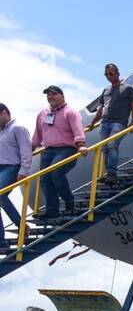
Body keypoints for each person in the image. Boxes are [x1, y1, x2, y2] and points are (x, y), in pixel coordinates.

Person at [31, 86, 88, 219]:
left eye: (53, 94)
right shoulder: (43, 114)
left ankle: (69, 201)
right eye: (48, 95)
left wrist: (81, 145)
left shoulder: (71, 112)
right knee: (45, 179)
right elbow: (37, 134)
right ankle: (52, 211)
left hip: (66, 149)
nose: (50, 97)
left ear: (62, 96)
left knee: (55, 171)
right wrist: (32, 147)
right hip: (48, 150)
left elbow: (78, 130)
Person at [86, 64, 133, 185]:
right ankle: (109, 173)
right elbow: (101, 108)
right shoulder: (106, 90)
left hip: (119, 123)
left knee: (112, 145)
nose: (108, 76)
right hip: (104, 123)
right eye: (106, 74)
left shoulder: (128, 88)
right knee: (105, 149)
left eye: (111, 74)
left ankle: (112, 173)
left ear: (118, 74)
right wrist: (93, 122)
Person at [0, 103, 34, 237]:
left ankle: (21, 225)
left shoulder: (18, 128)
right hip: (1, 168)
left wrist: (23, 171)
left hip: (12, 167)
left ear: (4, 113)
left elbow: (26, 151)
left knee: (0, 195)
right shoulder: (1, 132)